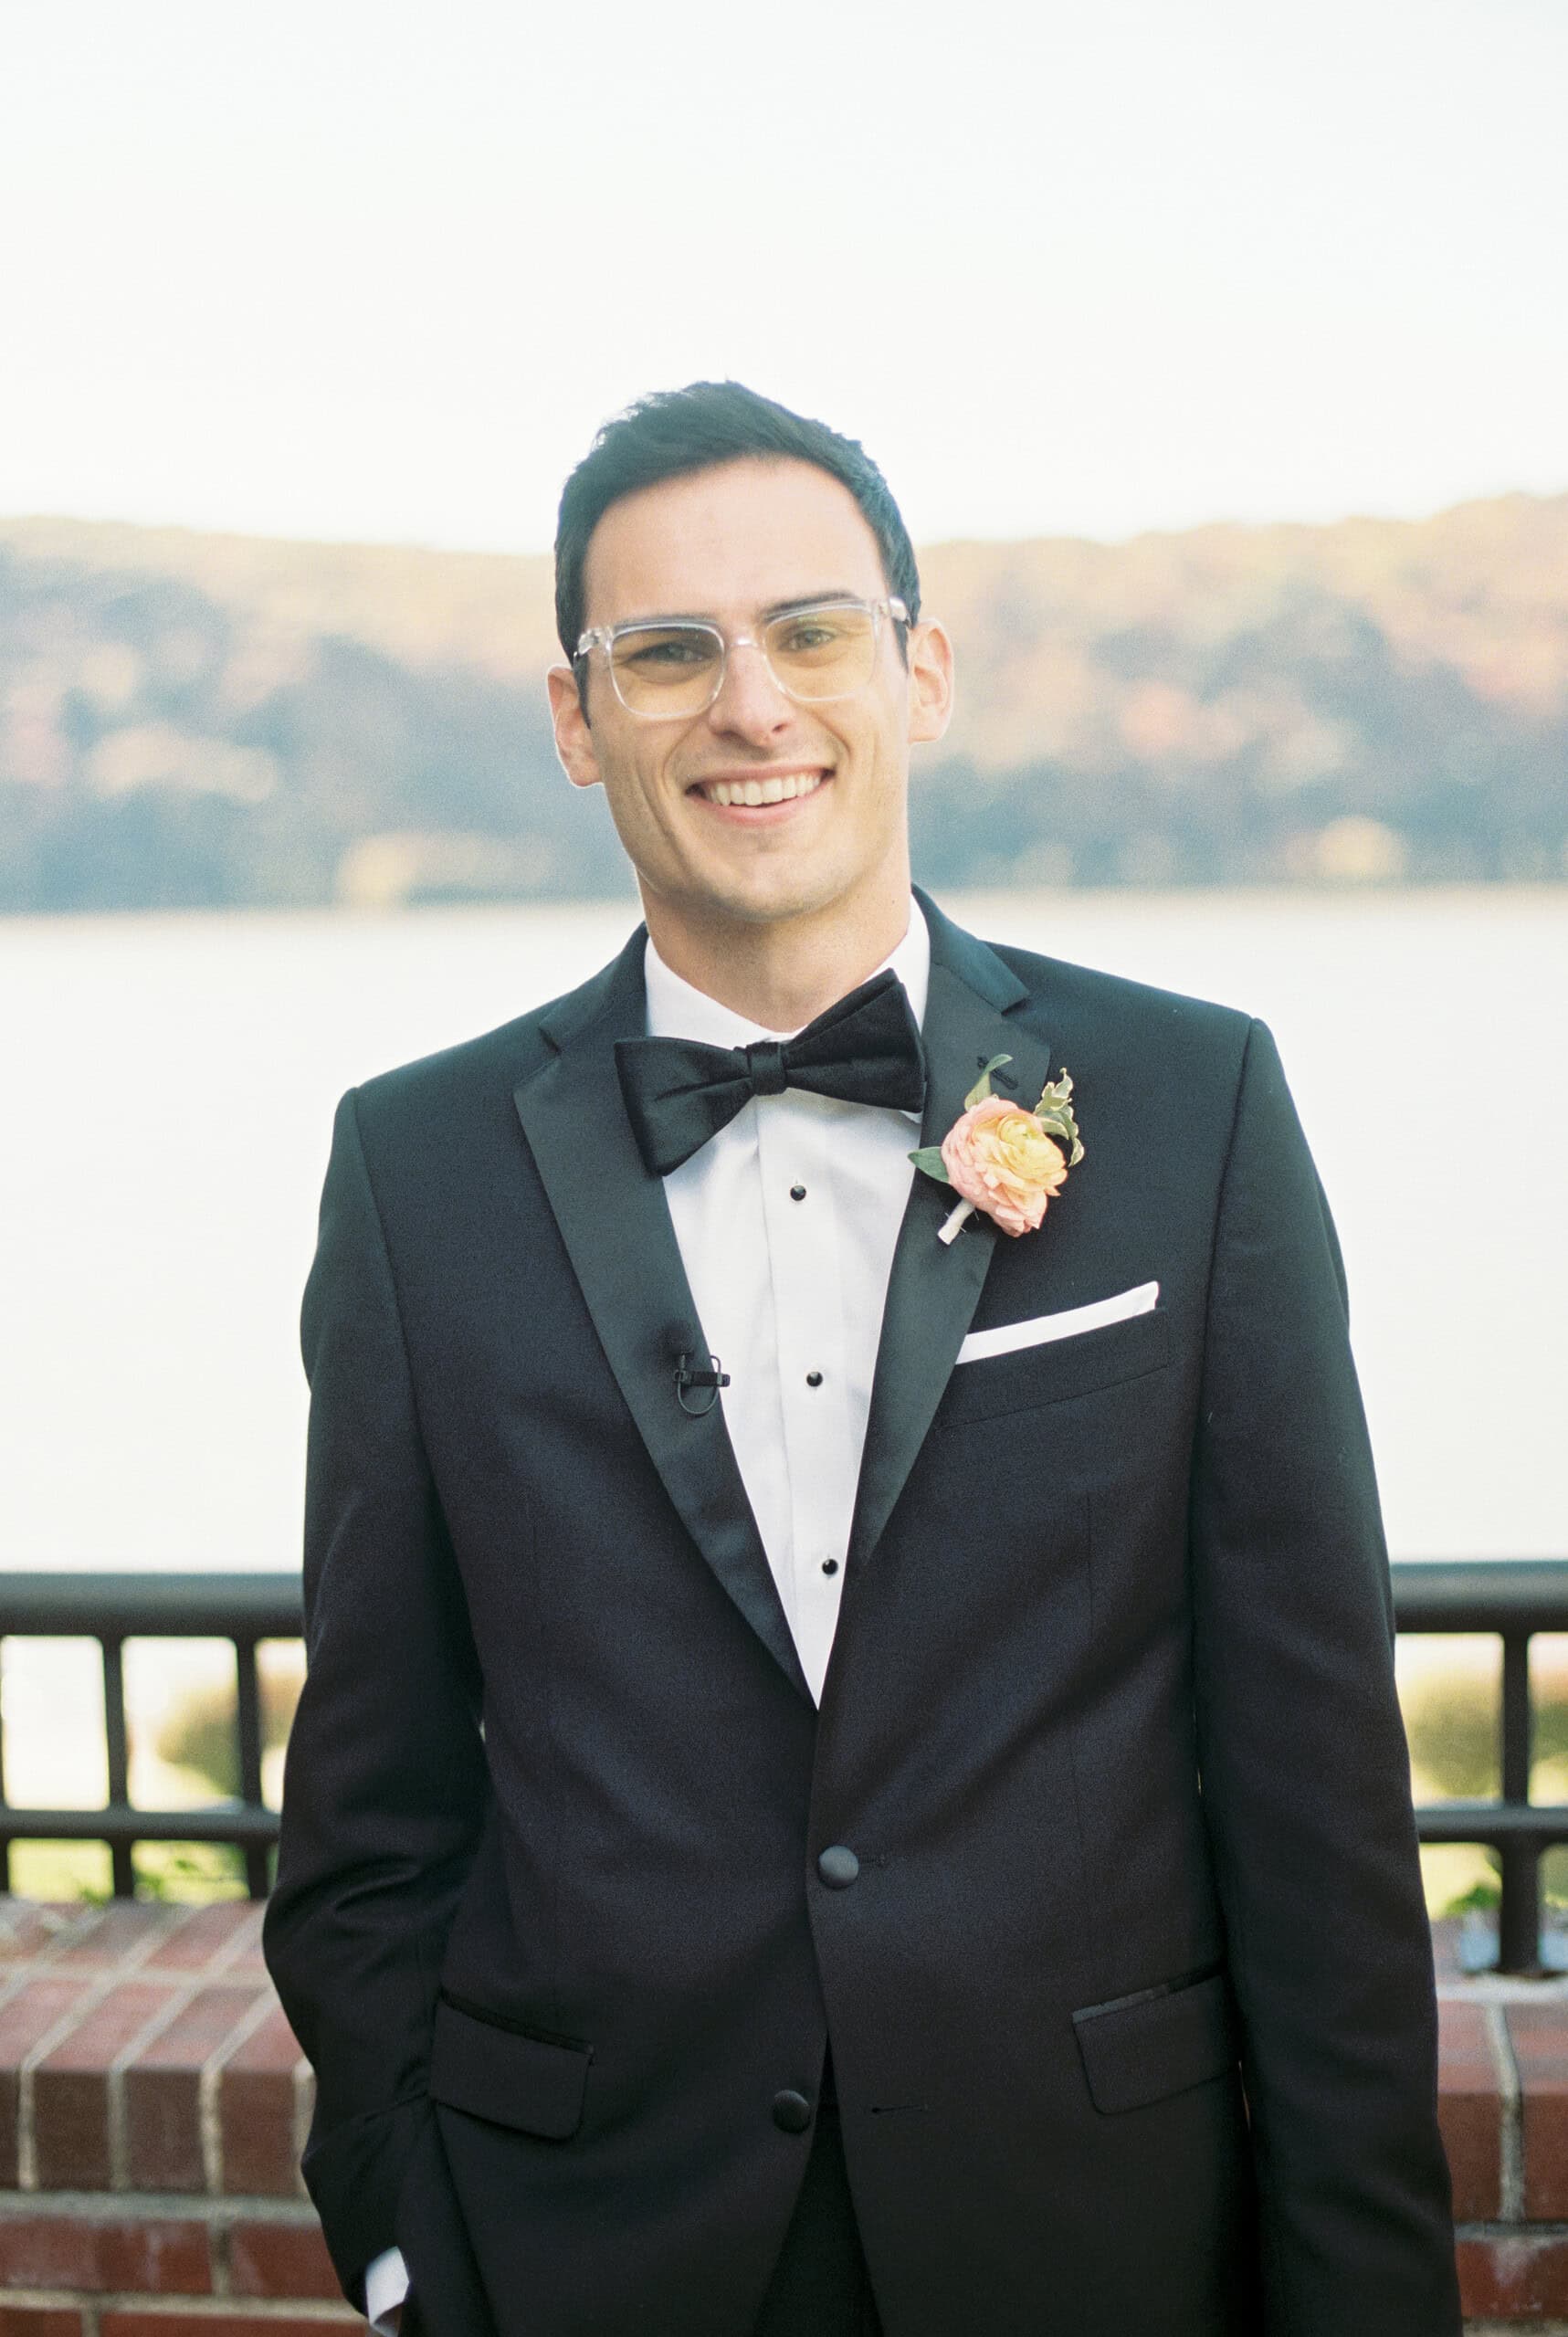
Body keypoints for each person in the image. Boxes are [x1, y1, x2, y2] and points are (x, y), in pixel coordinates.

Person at [264, 381, 1460, 2336]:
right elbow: (368, 1814)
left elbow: (1318, 1794)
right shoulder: (413, 1171)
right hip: (589, 2259)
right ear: (578, 720)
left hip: (1096, 2241)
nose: (750, 704)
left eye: (810, 631)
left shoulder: (1192, 1099)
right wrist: (411, 2245)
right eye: (666, 652)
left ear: (919, 672)